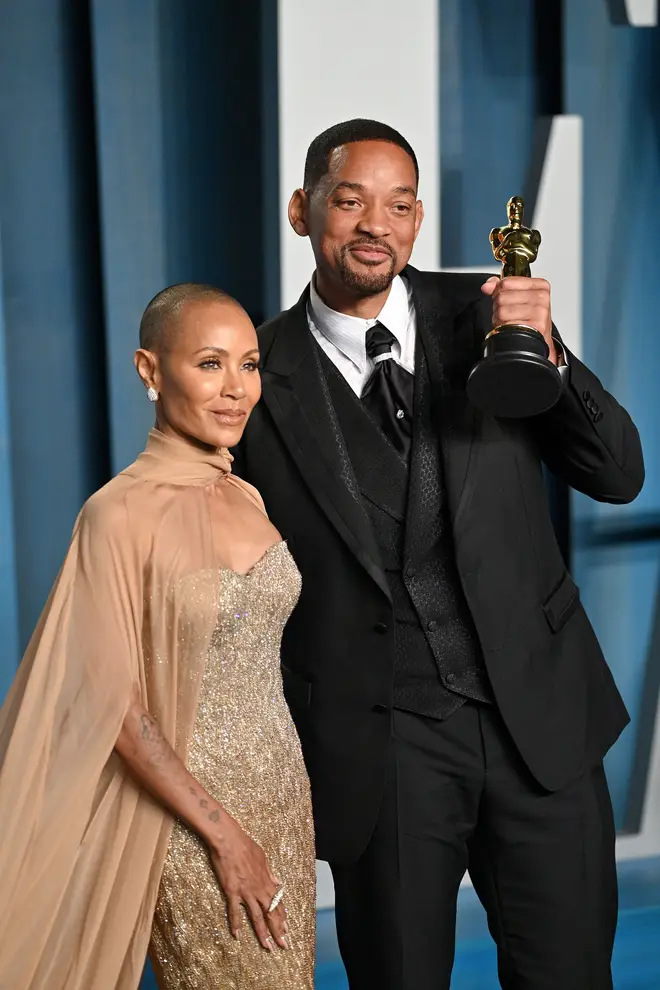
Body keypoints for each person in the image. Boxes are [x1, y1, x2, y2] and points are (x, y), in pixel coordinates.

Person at [231, 119, 645, 990]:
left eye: (400, 205)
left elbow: (617, 474)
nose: (375, 224)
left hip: (539, 719)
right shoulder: (254, 375)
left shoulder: (490, 315)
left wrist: (556, 357)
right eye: (350, 201)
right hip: (380, 747)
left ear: (418, 221)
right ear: (303, 210)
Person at [0, 285, 315, 990]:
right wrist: (225, 836)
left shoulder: (245, 493)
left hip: (283, 800)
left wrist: (261, 826)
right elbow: (114, 704)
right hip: (192, 825)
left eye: (249, 364)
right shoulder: (115, 516)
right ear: (149, 370)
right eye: (210, 364)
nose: (236, 390)